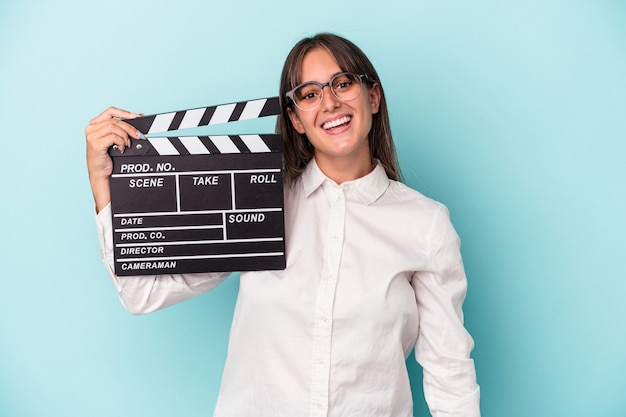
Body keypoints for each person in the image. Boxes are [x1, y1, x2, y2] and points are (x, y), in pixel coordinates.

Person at [85, 33, 480, 417]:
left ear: (372, 97)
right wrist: (103, 185)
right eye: (309, 94)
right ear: (294, 119)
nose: (329, 102)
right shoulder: (258, 200)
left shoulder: (424, 224)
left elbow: (450, 374)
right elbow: (141, 295)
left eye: (342, 83)